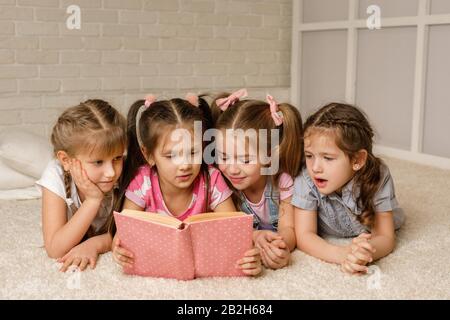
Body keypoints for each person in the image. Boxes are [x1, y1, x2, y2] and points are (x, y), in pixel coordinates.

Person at [112, 94, 261, 276]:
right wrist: (119, 249)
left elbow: (232, 235)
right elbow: (125, 234)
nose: (185, 165)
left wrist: (249, 258)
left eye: (193, 152)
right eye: (171, 156)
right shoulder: (143, 181)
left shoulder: (211, 179)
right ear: (149, 154)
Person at [292, 103, 405, 275]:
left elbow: (386, 237)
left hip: (368, 230)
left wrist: (364, 252)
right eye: (309, 156)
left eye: (328, 158)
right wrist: (342, 254)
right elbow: (304, 236)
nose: (315, 167)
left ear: (357, 160)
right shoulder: (306, 179)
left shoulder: (378, 175)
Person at [211, 89, 304, 269]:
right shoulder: (220, 181)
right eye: (223, 157)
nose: (232, 169)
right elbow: (226, 227)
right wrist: (254, 237)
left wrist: (280, 246)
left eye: (245, 160)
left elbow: (289, 229)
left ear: (270, 155)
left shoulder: (282, 180)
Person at [36, 99, 127, 272]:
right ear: (66, 160)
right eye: (98, 162)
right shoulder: (56, 175)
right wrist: (93, 200)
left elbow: (135, 232)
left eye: (117, 158)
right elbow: (55, 249)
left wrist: (96, 243)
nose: (111, 172)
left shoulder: (127, 172)